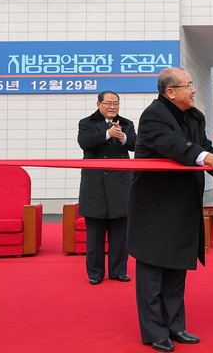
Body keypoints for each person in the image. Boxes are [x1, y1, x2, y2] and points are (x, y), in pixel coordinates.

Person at [127, 67, 213, 352]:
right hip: (155, 207)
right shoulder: (153, 116)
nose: (193, 90)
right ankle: (155, 331)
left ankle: (175, 326)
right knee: (152, 272)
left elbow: (203, 146)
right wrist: (209, 158)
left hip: (183, 204)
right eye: (188, 85)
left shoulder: (194, 116)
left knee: (177, 269)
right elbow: (174, 146)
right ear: (170, 92)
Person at [77, 90, 136, 285]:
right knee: (95, 233)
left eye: (116, 103)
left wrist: (122, 137)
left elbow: (136, 144)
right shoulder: (86, 123)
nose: (113, 107)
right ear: (98, 104)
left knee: (120, 232)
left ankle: (119, 271)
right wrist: (107, 134)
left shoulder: (126, 123)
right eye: (108, 103)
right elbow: (84, 143)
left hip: (121, 184)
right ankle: (95, 273)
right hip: (95, 184)